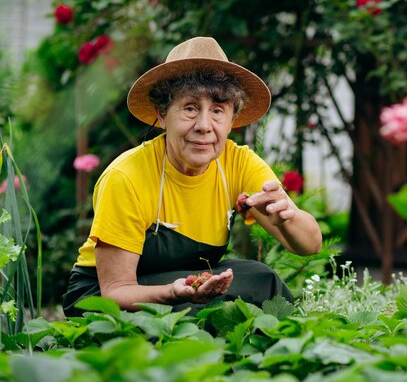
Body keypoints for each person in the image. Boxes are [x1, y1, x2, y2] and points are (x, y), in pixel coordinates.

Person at [62, 37, 322, 317]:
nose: (204, 126)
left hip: (185, 282)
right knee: (197, 309)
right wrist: (172, 292)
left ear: (232, 120)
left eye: (218, 111)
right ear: (162, 115)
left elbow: (310, 246)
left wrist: (288, 217)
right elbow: (116, 289)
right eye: (189, 108)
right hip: (104, 297)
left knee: (262, 279)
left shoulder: (238, 162)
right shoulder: (125, 176)